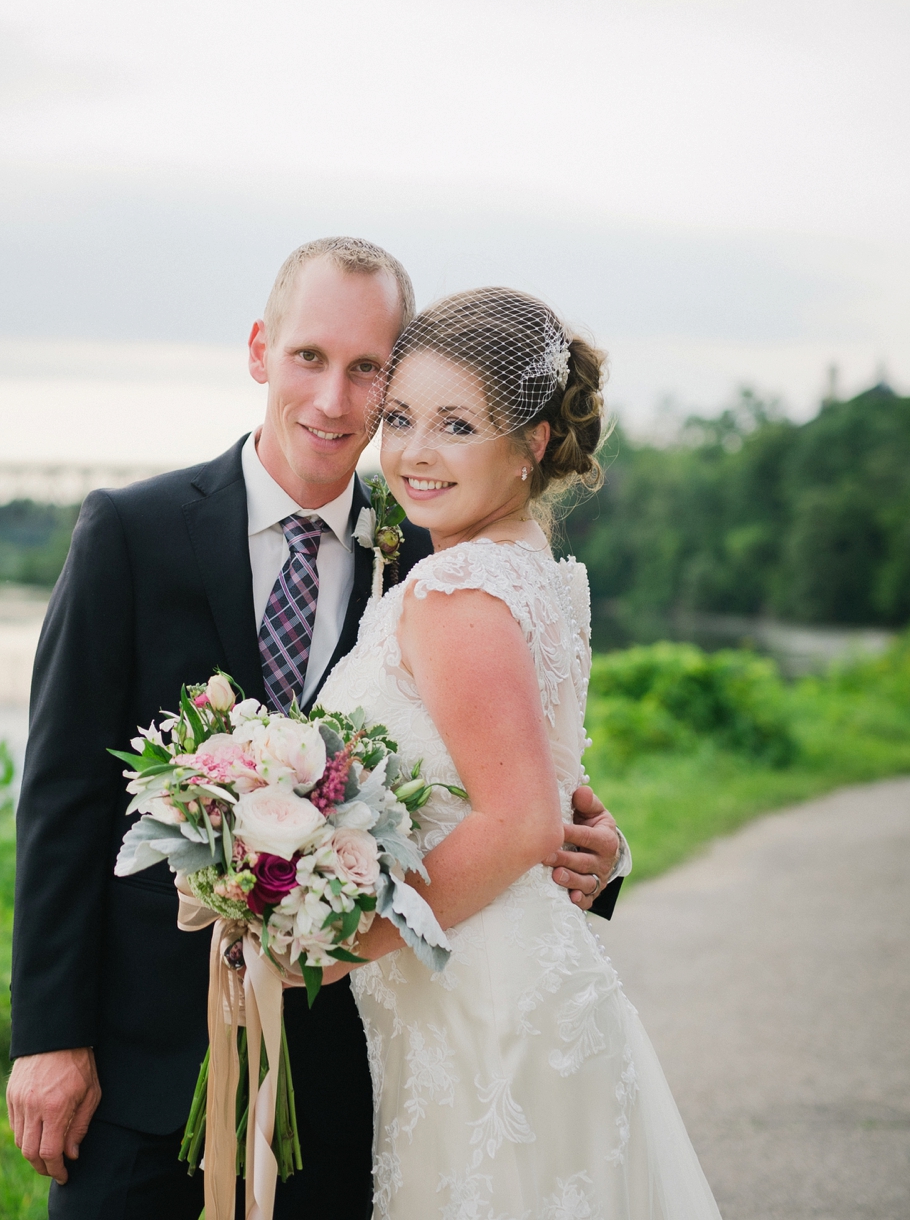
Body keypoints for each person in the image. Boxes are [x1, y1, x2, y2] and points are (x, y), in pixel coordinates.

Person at [7, 241, 632, 1219]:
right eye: (308, 357)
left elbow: (511, 781)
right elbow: (61, 796)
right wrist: (48, 1036)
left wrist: (598, 851)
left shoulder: (433, 548)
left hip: (351, 1090)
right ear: (260, 349)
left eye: (366, 370)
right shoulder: (131, 533)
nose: (333, 401)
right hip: (141, 1072)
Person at [314, 288, 720, 1217]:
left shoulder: (455, 590)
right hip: (509, 974)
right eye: (402, 418)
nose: (415, 452)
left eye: (456, 424)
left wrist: (345, 943)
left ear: (533, 442)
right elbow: (535, 781)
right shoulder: (529, 565)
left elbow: (521, 817)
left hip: (479, 999)